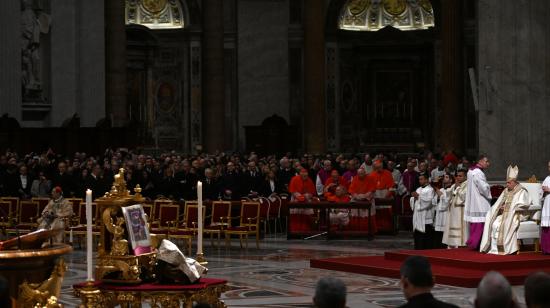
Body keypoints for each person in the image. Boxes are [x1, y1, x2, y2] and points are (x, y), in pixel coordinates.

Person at [480, 165, 531, 255]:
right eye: (506, 183)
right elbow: (498, 203)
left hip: (516, 214)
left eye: (509, 183)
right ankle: (494, 248)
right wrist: (499, 208)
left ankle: (504, 248)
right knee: (493, 222)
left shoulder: (521, 191)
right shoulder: (506, 190)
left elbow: (524, 204)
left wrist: (509, 208)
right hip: (504, 214)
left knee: (503, 224)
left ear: (514, 182)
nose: (506, 185)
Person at [465, 154, 492, 250]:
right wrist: (489, 188)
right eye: (486, 161)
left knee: (475, 224)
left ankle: (474, 243)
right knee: (480, 223)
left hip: (474, 201)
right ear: (480, 161)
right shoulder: (478, 172)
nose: (488, 163)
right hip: (480, 201)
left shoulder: (470, 171)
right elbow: (483, 188)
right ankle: (476, 244)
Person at [442, 169, 468, 248]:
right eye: (457, 176)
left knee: (460, 229)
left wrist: (458, 188)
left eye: (460, 176)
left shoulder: (468, 185)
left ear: (466, 177)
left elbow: (464, 197)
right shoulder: (455, 184)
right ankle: (452, 244)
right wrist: (454, 188)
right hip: (453, 211)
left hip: (461, 210)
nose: (458, 178)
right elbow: (448, 194)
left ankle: (460, 244)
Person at [410, 173, 435, 249]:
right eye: (419, 179)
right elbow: (414, 201)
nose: (420, 181)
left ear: (427, 180)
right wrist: (413, 198)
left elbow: (429, 202)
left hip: (426, 217)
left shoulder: (430, 190)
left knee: (426, 238)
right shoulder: (418, 189)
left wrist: (418, 197)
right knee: (418, 237)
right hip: (418, 217)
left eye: (422, 179)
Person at [433, 173, 453, 248]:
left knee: (445, 233)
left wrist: (441, 196)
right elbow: (434, 201)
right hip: (439, 214)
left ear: (451, 180)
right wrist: (438, 197)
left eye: (447, 177)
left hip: (446, 213)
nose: (444, 178)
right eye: (444, 177)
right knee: (438, 234)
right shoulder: (441, 189)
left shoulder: (451, 189)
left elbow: (448, 202)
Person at [541, 161, 550, 254]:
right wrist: (542, 190)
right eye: (548, 166)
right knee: (547, 226)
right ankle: (546, 249)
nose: (549, 168)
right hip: (547, 204)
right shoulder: (547, 178)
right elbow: (541, 192)